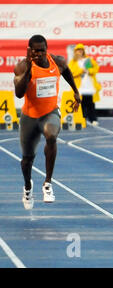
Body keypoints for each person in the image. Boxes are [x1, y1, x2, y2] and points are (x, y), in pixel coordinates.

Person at [14, 34, 81, 210]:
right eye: (35, 51)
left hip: (50, 112)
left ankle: (48, 183)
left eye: (42, 50)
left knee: (51, 136)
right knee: (27, 159)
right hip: (29, 116)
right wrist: (29, 70)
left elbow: (66, 71)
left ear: (46, 49)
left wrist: (75, 91)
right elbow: (19, 94)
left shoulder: (57, 62)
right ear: (29, 51)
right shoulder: (21, 66)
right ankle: (28, 187)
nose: (38, 54)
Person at [68, 43, 101, 125]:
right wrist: (80, 71)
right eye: (78, 50)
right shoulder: (73, 62)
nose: (79, 52)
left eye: (81, 50)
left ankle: (93, 119)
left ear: (83, 51)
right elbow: (71, 73)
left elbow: (95, 69)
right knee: (80, 103)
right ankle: (82, 119)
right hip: (79, 86)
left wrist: (89, 71)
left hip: (88, 85)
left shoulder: (87, 60)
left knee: (90, 103)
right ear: (75, 52)